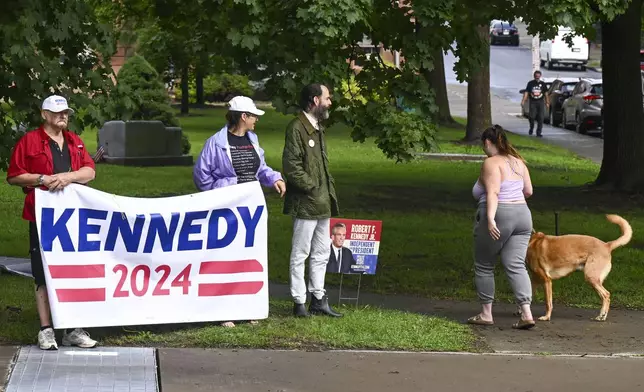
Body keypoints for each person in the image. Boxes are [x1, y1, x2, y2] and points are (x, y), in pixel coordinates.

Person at [6, 95, 98, 350]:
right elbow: (14, 176)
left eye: (66, 112)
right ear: (44, 115)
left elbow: (90, 171)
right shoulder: (30, 141)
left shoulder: (74, 142)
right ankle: (46, 329)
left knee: (73, 269)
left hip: (72, 215)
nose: (63, 116)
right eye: (57, 112)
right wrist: (41, 179)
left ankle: (72, 328)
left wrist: (68, 177)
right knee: (43, 269)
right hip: (43, 215)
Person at [193, 95, 285, 327]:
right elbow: (201, 176)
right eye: (253, 116)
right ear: (243, 117)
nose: (256, 120)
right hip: (226, 210)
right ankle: (225, 310)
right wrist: (223, 192)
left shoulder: (252, 139)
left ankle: (248, 306)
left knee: (249, 257)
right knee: (226, 258)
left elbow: (261, 169)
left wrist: (274, 178)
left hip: (250, 208)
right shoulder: (215, 142)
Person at [282, 83, 342, 318]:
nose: (330, 102)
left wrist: (322, 191)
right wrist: (313, 187)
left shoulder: (317, 127)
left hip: (322, 201)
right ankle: (299, 302)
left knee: (321, 252)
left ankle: (318, 298)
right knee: (300, 253)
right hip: (307, 202)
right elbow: (291, 166)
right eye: (327, 98)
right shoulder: (297, 127)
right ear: (315, 100)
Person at [469, 125, 536, 330]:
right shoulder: (518, 162)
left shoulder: (491, 163)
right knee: (516, 264)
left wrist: (490, 219)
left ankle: (486, 313)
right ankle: (526, 313)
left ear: (488, 142)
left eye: (483, 145)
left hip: (500, 214)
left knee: (484, 264)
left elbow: (493, 193)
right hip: (523, 215)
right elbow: (529, 191)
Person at [521, 70, 550, 137]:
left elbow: (546, 94)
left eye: (538, 77)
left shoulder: (543, 84)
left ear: (540, 76)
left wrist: (547, 102)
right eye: (536, 77)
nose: (537, 78)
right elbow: (526, 93)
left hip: (540, 102)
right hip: (533, 102)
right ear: (534, 76)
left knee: (541, 117)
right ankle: (531, 127)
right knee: (532, 117)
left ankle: (538, 132)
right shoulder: (530, 83)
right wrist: (523, 101)